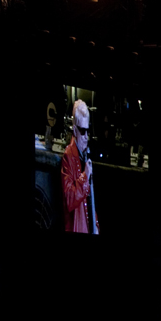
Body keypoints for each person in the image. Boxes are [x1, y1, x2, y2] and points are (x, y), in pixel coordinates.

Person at [61, 99, 99, 233]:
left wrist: (95, 226)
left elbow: (90, 197)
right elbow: (69, 199)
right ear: (75, 130)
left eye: (88, 131)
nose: (86, 136)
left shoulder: (85, 154)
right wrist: (84, 176)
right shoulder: (69, 155)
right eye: (83, 131)